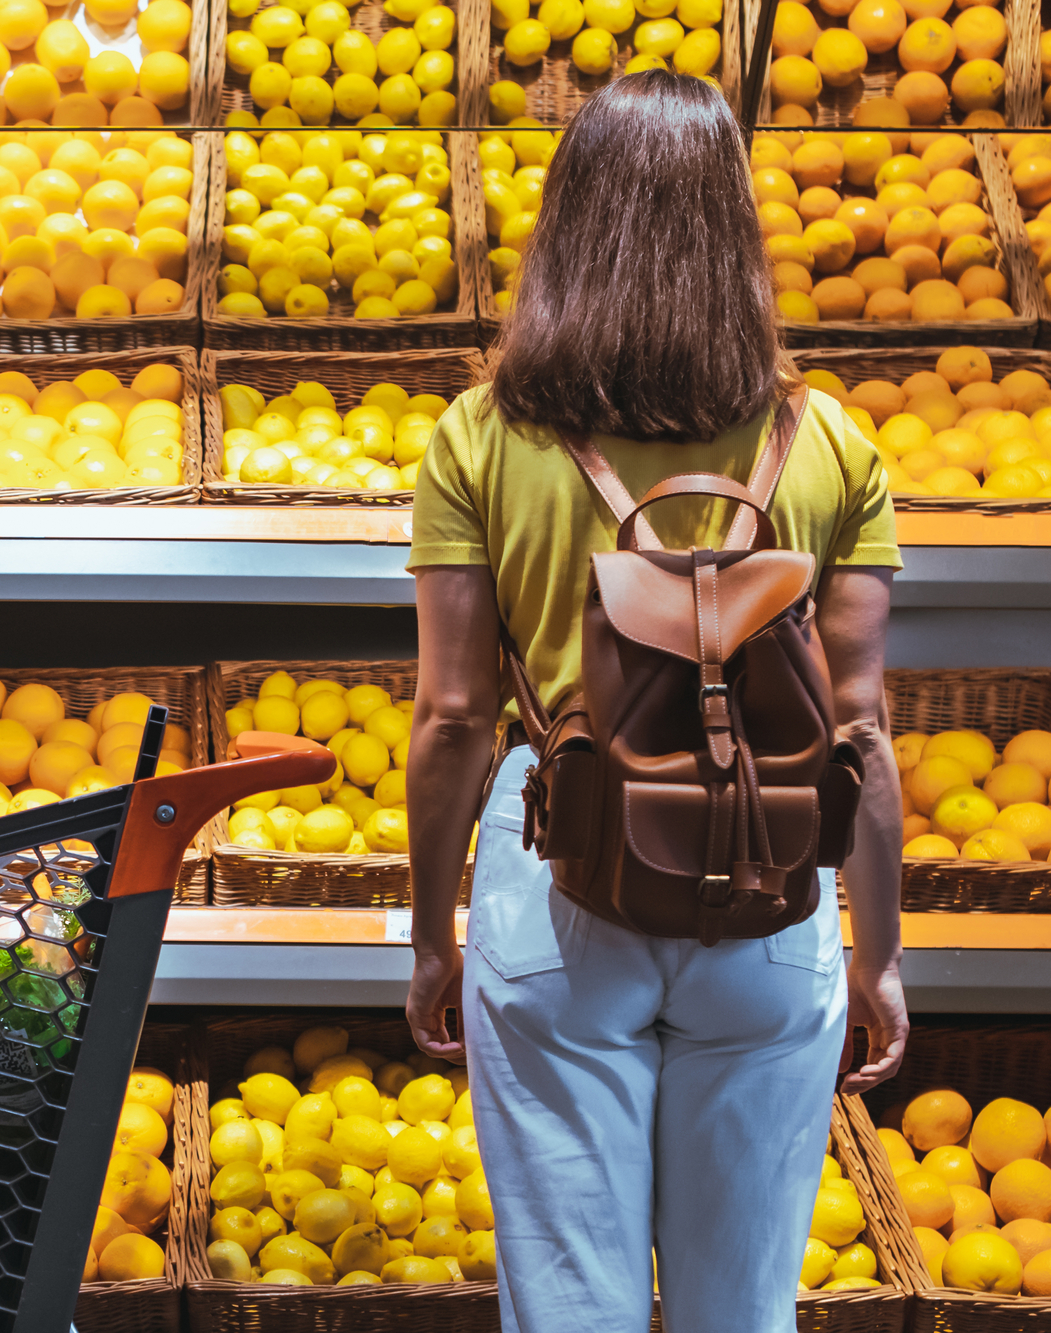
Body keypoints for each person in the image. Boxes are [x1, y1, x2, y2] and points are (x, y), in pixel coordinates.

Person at [402, 71, 909, 1332]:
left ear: (565, 223)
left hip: (560, 876)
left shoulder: (481, 434)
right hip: (771, 884)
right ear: (735, 233)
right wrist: (883, 957)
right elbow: (861, 730)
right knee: (741, 1308)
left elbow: (455, 718)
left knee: (571, 1306)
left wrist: (425, 935)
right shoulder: (830, 443)